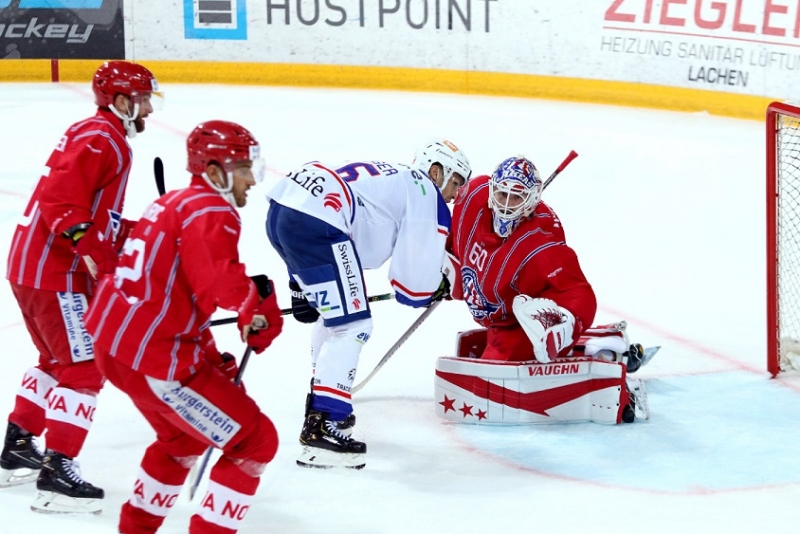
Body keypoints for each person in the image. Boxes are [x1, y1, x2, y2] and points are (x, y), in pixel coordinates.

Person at [83, 120, 283, 533]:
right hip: (155, 362)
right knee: (256, 441)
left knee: (183, 440)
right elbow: (221, 285)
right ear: (213, 171)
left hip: (114, 348)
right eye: (241, 168)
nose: (250, 178)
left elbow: (170, 295)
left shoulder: (171, 202)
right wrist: (256, 304)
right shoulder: (213, 210)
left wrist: (209, 357)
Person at [0, 61, 161, 512]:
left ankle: (18, 446)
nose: (148, 108)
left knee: (56, 358)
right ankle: (57, 471)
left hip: (32, 267)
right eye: (143, 99)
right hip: (57, 274)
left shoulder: (99, 132)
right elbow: (63, 204)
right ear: (122, 101)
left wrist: (143, 231)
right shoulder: (101, 138)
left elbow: (91, 212)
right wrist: (98, 258)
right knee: (86, 368)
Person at [266, 138, 471, 469]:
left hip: (284, 209)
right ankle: (323, 427)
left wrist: (299, 286)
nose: (454, 195)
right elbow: (411, 288)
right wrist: (439, 285)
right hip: (319, 223)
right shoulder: (423, 189)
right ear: (436, 171)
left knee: (336, 317)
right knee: (353, 325)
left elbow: (309, 211)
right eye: (456, 182)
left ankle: (322, 398)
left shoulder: (392, 180)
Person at [445, 156, 653, 423]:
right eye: (501, 194)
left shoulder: (542, 240)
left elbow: (580, 292)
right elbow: (451, 233)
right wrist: (445, 267)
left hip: (513, 324)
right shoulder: (473, 197)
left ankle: (591, 351)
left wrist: (567, 325)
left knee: (493, 376)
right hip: (493, 315)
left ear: (531, 201)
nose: (506, 205)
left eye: (516, 198)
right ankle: (599, 343)